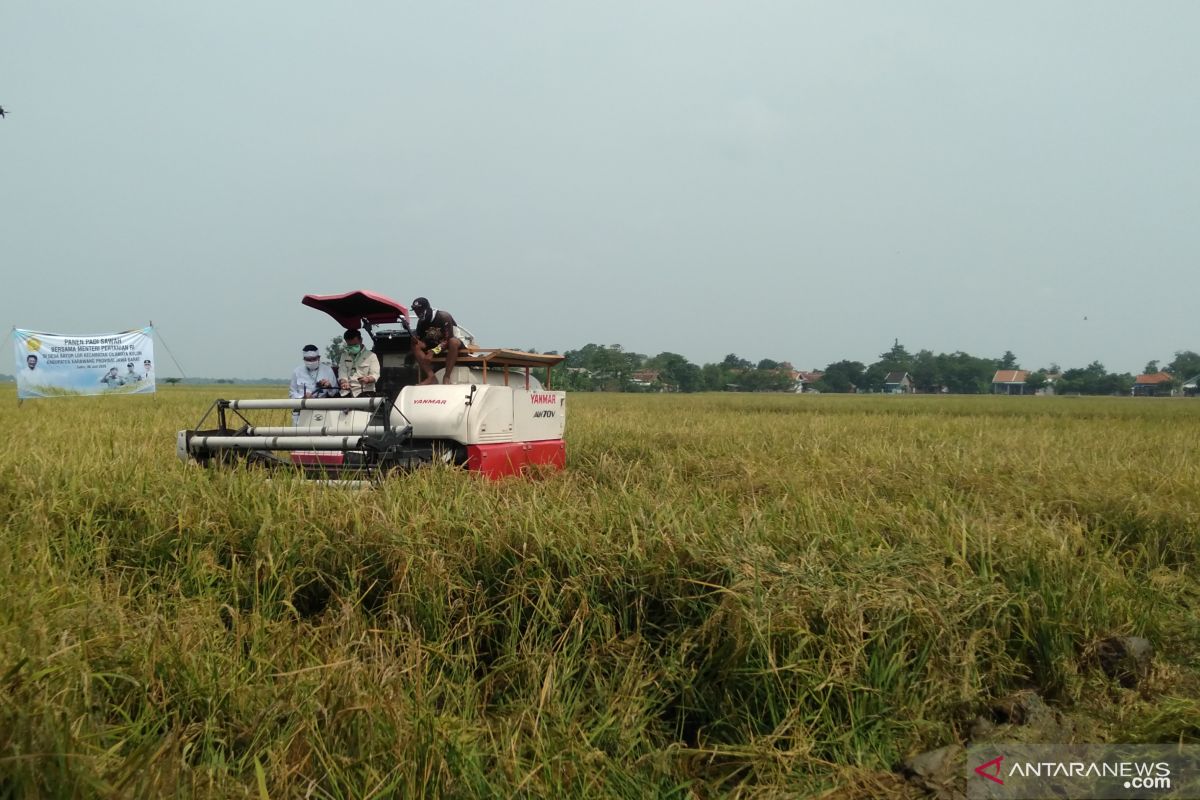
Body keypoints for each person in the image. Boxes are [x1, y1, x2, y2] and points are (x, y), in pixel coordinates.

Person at [410, 297, 471, 385]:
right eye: (415, 310)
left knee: (453, 341)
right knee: (415, 344)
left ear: (427, 308)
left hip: (453, 345)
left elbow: (448, 339)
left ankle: (447, 376)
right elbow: (421, 340)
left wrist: (433, 352)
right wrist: (416, 340)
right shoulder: (421, 322)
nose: (417, 313)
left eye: (420, 310)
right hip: (435, 345)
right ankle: (431, 377)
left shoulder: (444, 316)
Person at [290, 344, 338, 424]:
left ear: (319, 358)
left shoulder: (328, 370)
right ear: (304, 359)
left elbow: (334, 392)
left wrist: (329, 386)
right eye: (308, 360)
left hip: (321, 410)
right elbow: (292, 394)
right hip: (302, 411)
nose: (311, 362)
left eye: (314, 359)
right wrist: (303, 397)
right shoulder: (297, 371)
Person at [338, 329, 381, 397]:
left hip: (365, 392)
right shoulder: (344, 355)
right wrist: (344, 382)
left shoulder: (371, 356)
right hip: (347, 392)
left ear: (361, 340)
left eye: (355, 345)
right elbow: (342, 372)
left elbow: (375, 375)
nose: (352, 347)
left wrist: (368, 379)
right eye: (350, 345)